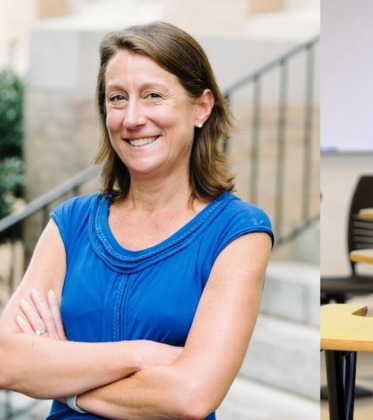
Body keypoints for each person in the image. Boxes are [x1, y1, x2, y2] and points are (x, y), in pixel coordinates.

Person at [0, 21, 273, 419]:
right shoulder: (71, 222)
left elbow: (191, 397)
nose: (132, 118)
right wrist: (141, 355)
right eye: (116, 98)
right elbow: (7, 360)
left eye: (153, 96)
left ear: (201, 107)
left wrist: (64, 380)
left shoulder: (238, 232)